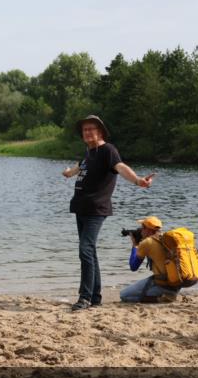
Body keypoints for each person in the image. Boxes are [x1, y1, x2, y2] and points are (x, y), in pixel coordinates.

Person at [63, 115, 154, 312]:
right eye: (85, 130)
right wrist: (68, 172)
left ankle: (85, 297)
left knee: (85, 249)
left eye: (91, 129)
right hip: (81, 207)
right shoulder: (89, 153)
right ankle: (95, 297)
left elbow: (121, 167)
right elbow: (79, 167)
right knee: (90, 251)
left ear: (100, 132)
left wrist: (139, 181)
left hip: (96, 208)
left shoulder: (108, 150)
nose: (87, 132)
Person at [119, 216, 182, 303]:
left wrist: (135, 245)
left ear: (148, 230)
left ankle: (162, 298)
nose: (141, 230)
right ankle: (168, 294)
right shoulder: (165, 238)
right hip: (177, 282)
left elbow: (133, 267)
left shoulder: (147, 243)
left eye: (142, 228)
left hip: (162, 284)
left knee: (124, 295)